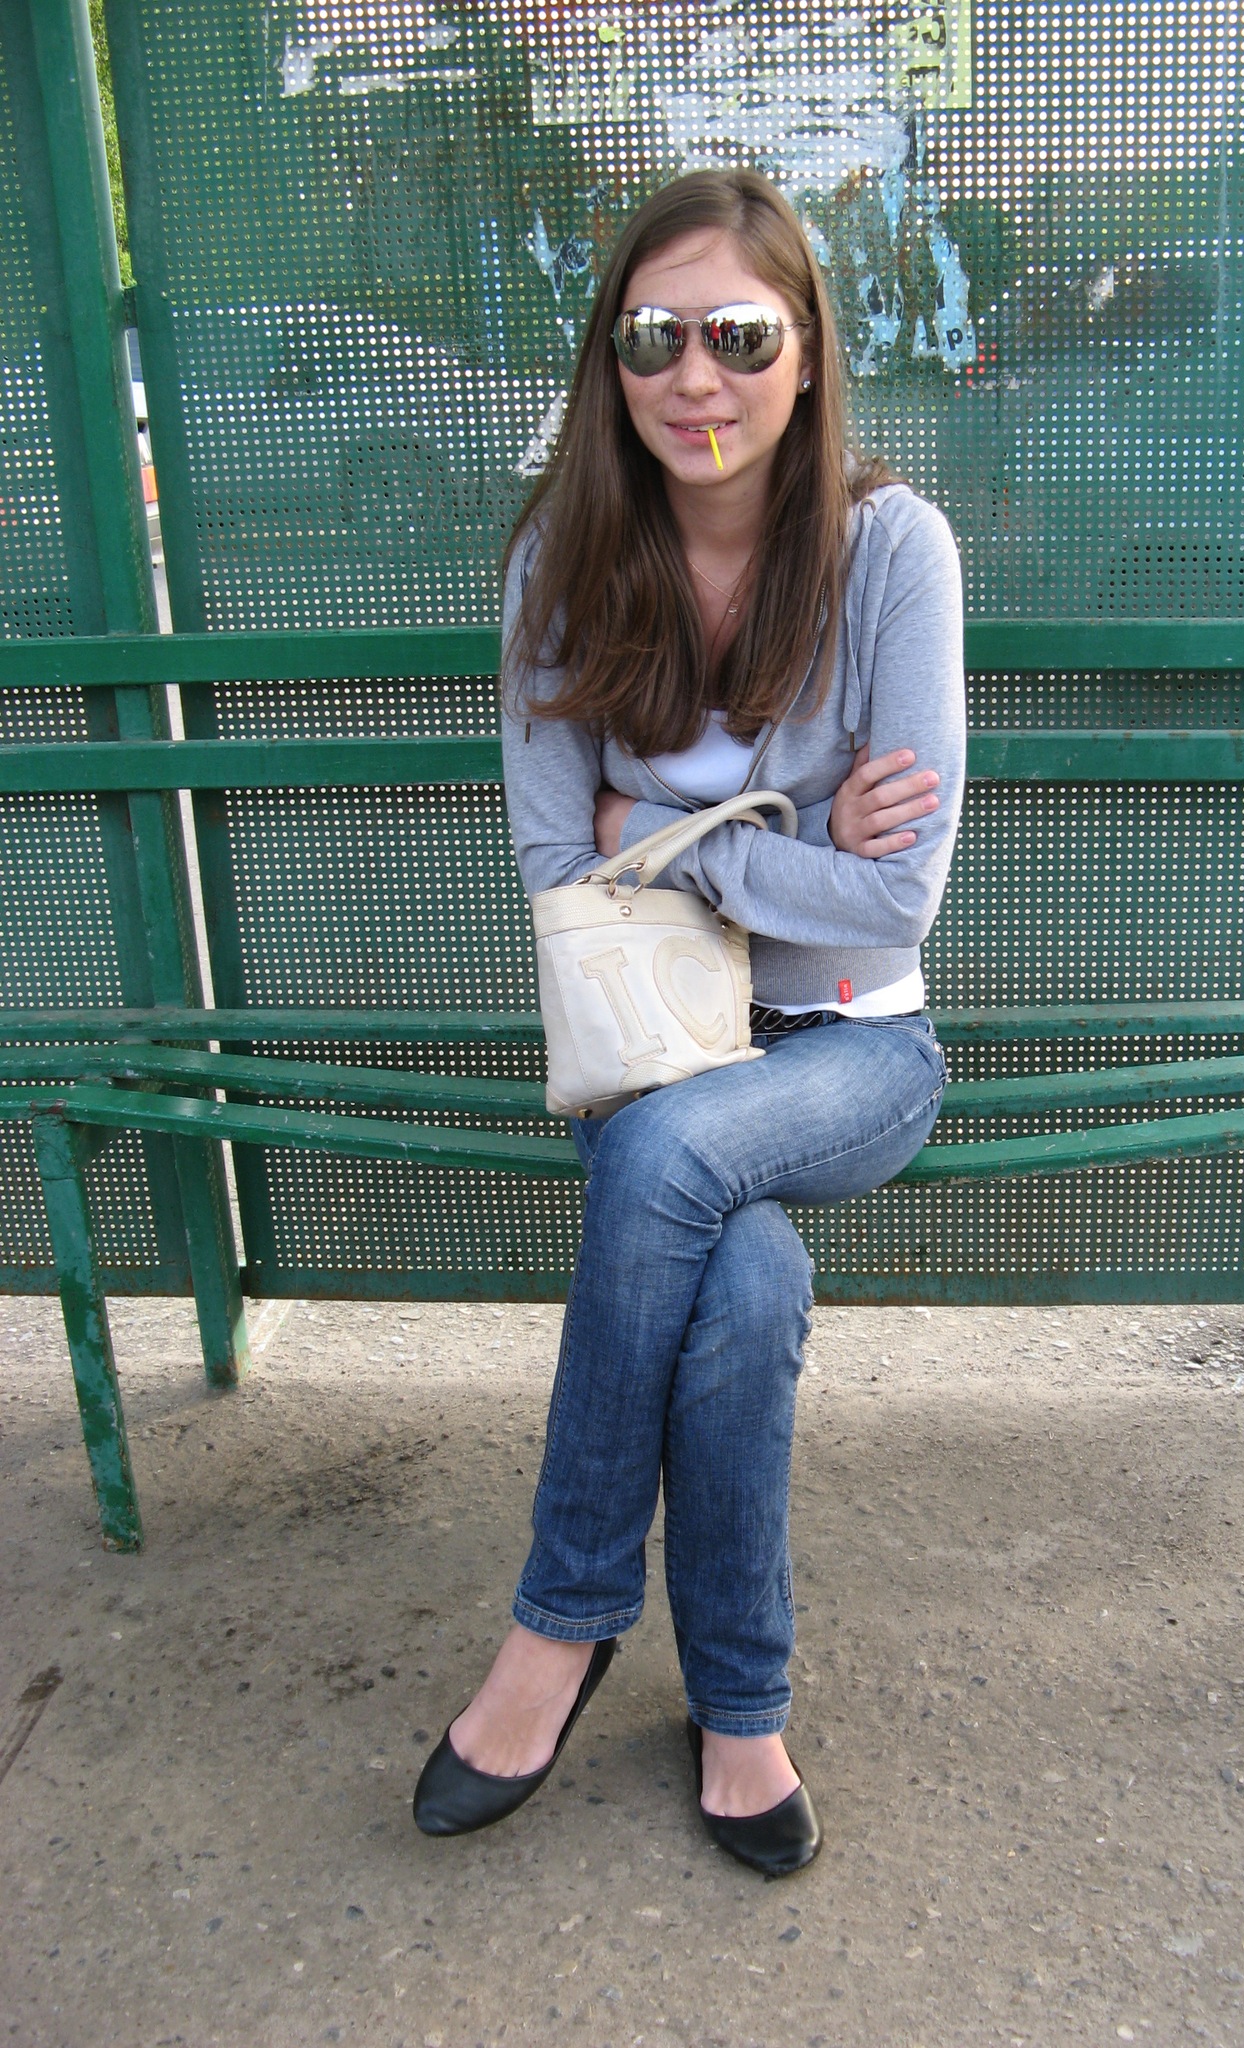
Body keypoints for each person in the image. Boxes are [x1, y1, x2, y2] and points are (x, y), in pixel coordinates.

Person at [413, 168, 966, 1877]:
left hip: (853, 1054)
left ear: (807, 352)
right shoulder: (562, 565)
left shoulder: (892, 550)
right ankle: (740, 1711)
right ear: (613, 362)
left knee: (663, 1165)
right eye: (654, 338)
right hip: (653, 1052)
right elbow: (548, 863)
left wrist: (667, 839)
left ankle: (561, 1623)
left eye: (738, 333)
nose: (695, 377)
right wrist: (792, 846)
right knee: (744, 1292)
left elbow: (894, 904)